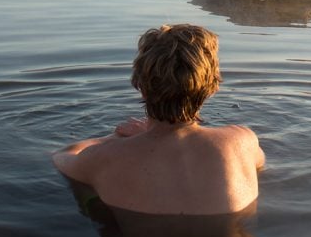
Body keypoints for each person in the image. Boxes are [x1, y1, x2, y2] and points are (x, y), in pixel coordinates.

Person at [52, 24, 265, 215]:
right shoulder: (243, 141)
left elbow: (62, 156)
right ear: (212, 87)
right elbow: (257, 164)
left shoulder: (105, 157)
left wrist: (115, 137)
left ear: (142, 87)